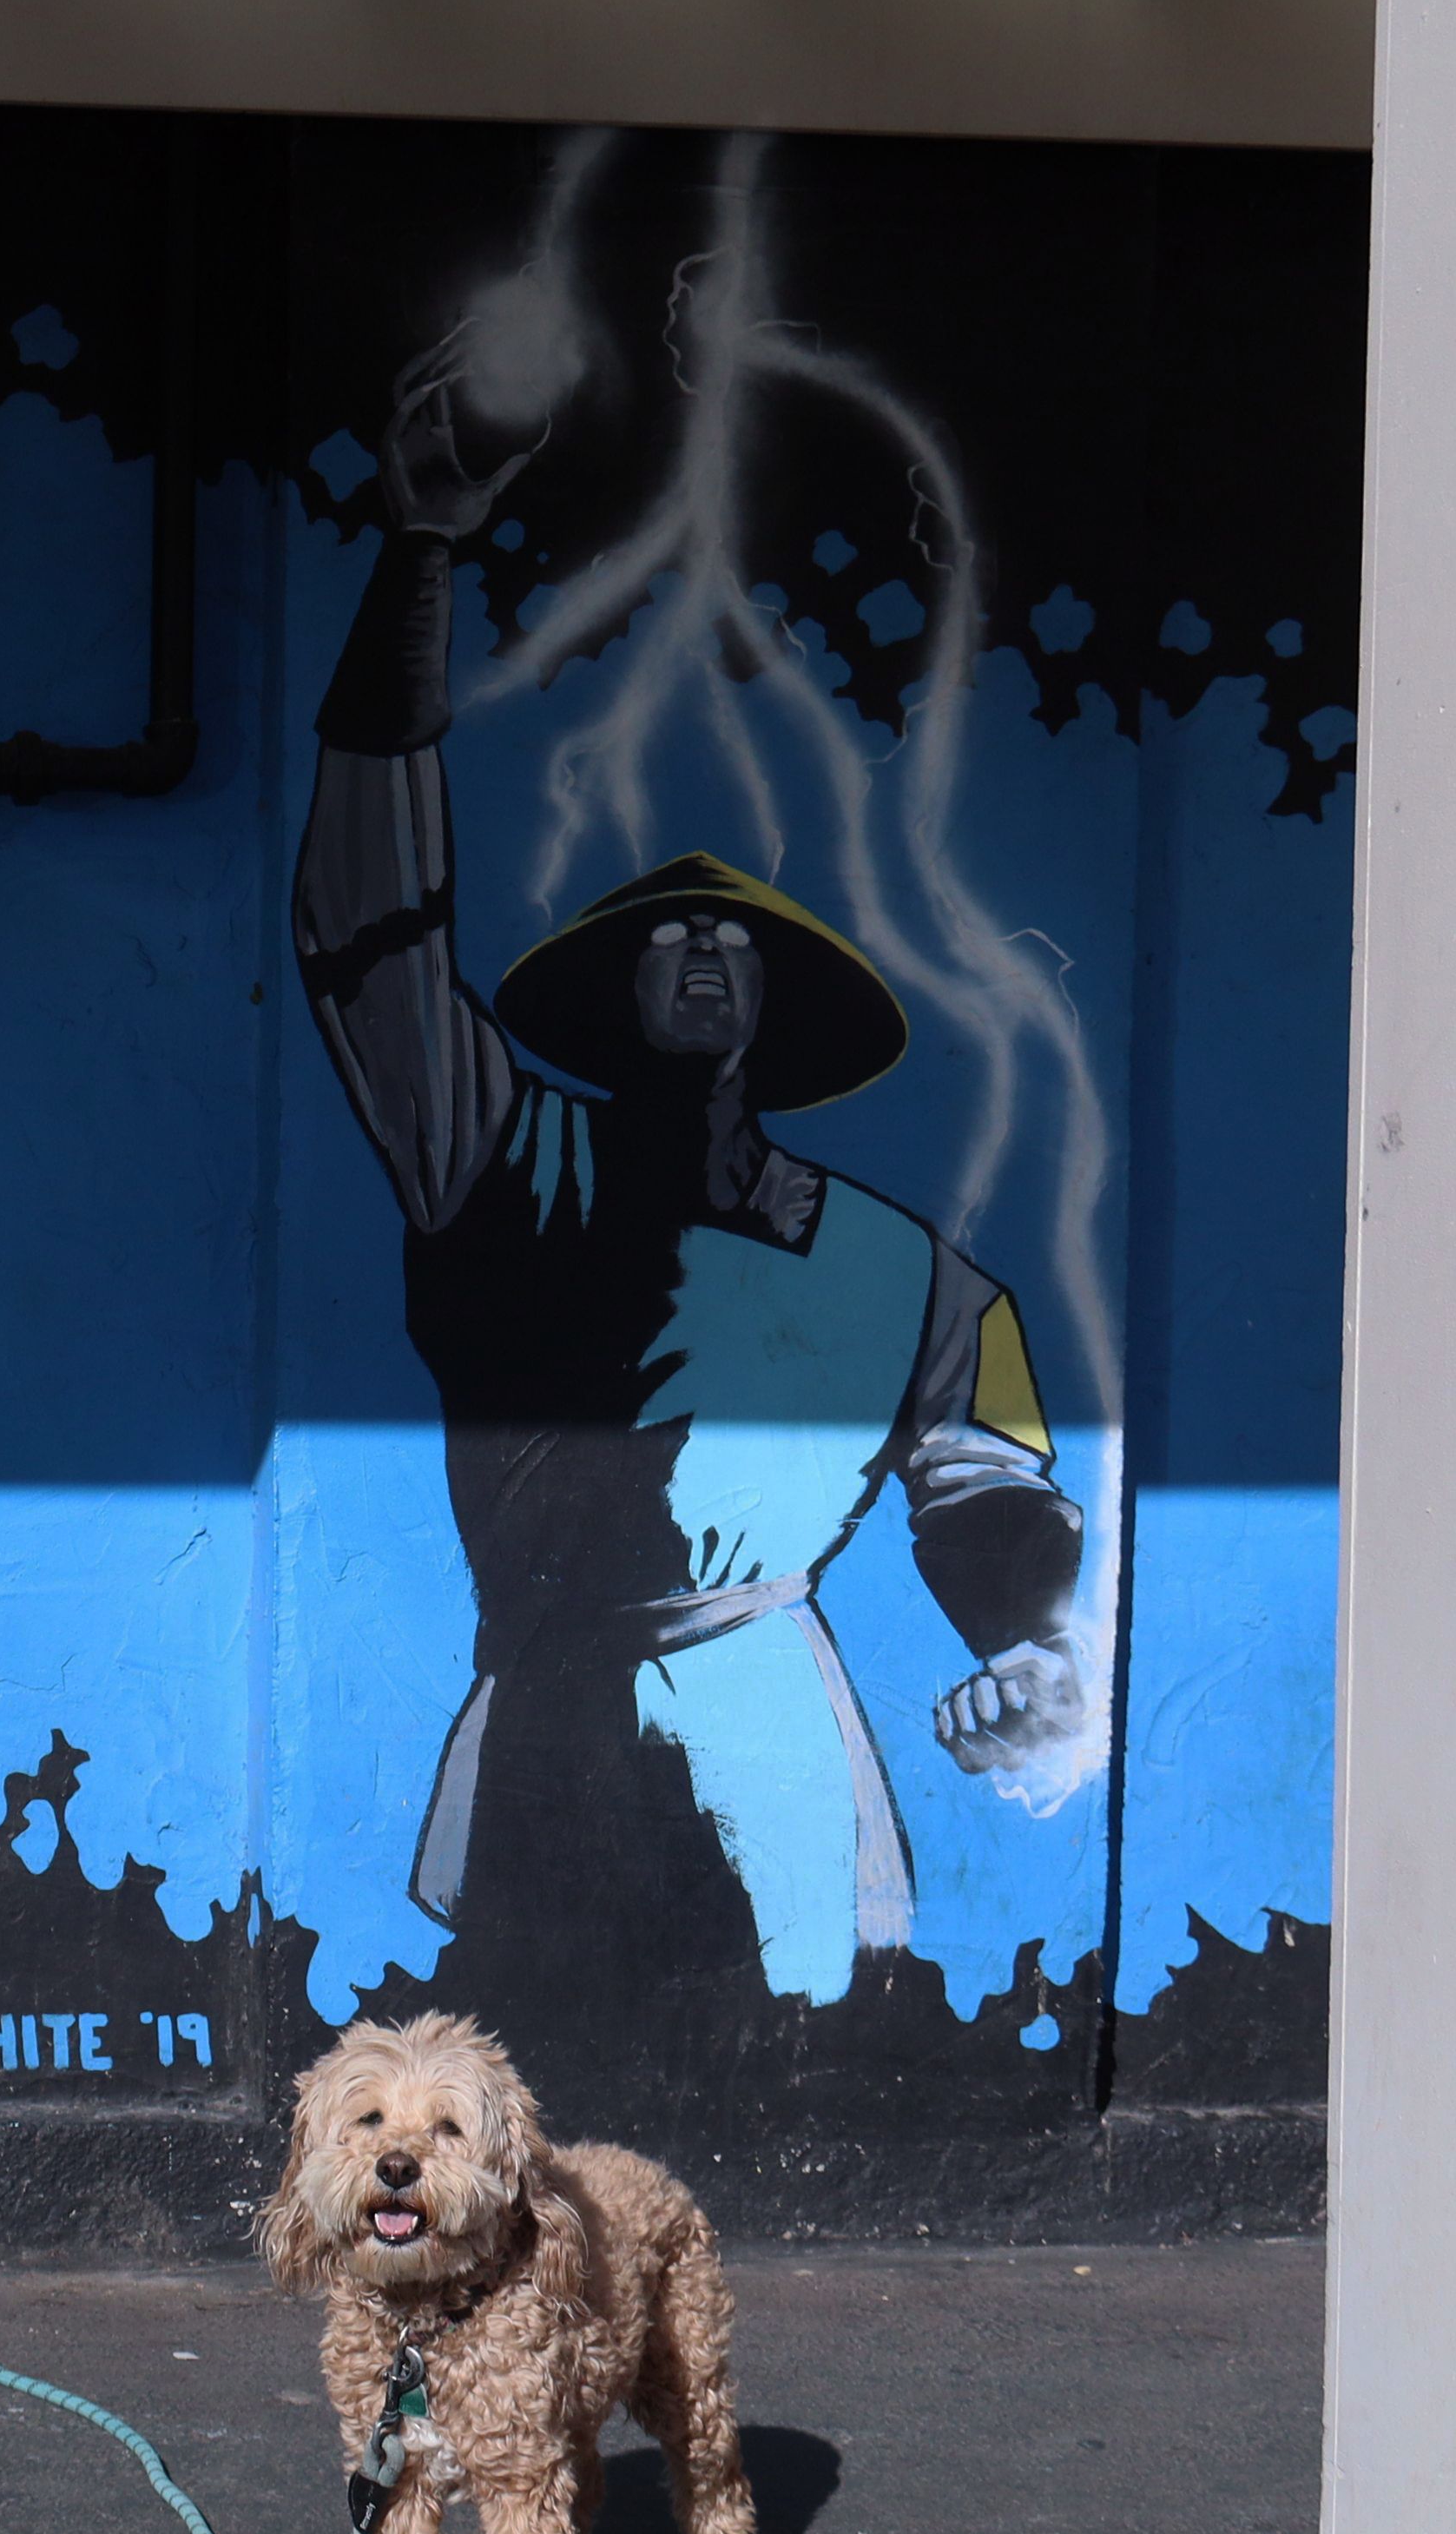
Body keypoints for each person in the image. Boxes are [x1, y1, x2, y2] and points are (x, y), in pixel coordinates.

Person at [296, 389, 1090, 2025]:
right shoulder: (497, 1162)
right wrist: (418, 551)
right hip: (542, 1744)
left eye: (739, 940)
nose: (707, 948)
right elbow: (370, 932)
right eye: (670, 934)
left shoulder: (911, 1274)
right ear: (612, 989)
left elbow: (988, 1493)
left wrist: (1031, 1652)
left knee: (785, 2070)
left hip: (771, 1753)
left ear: (784, 1008)